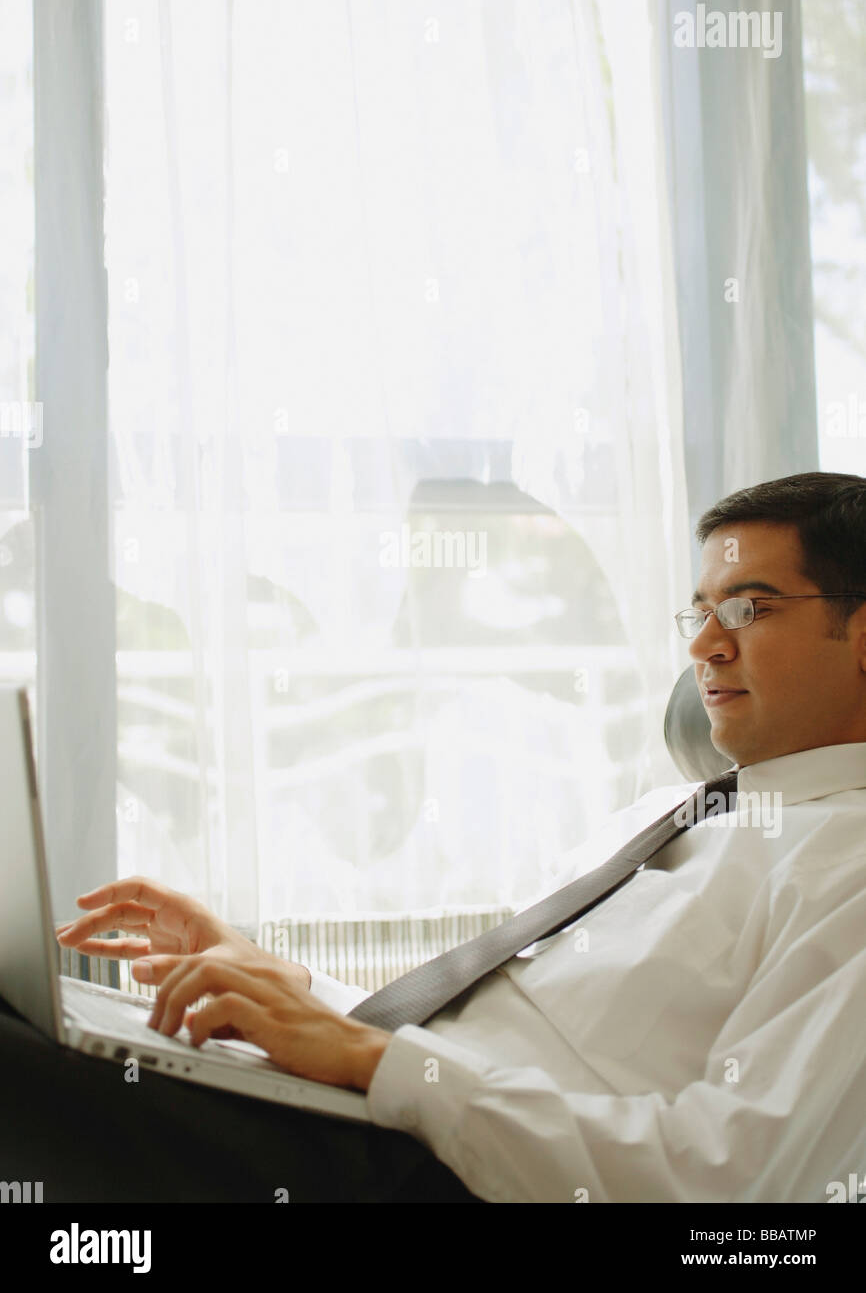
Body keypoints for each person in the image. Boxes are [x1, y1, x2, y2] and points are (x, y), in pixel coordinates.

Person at [39, 472, 866, 1200]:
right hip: (376, 1127)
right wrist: (282, 986)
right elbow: (471, 1046)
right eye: (698, 611)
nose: (701, 644)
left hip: (432, 1177)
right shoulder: (661, 818)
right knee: (43, 1024)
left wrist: (370, 1065)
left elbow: (731, 1186)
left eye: (746, 608)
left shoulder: (846, 869)